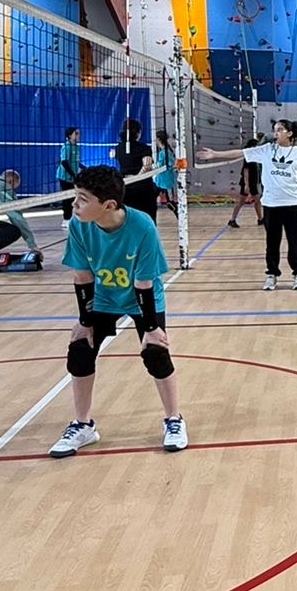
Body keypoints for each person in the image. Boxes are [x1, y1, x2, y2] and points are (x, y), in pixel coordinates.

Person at [50, 164, 186, 456]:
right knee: (80, 349)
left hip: (141, 297)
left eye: (83, 199)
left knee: (156, 352)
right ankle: (83, 425)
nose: (74, 204)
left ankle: (173, 419)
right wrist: (85, 321)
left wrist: (151, 328)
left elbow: (144, 282)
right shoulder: (78, 225)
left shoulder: (142, 226)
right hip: (102, 297)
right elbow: (82, 276)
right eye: (75, 196)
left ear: (109, 205)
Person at [201, 118, 297, 290]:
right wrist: (216, 154)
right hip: (271, 205)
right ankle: (272, 275)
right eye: (274, 129)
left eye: (280, 130)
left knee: (295, 243)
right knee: (272, 243)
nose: (275, 133)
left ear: (289, 134)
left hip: (293, 205)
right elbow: (240, 153)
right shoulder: (266, 150)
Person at [113, 118, 156, 217]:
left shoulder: (118, 148)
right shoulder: (144, 148)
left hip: (125, 187)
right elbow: (147, 166)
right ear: (138, 132)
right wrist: (137, 177)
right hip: (143, 189)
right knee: (147, 218)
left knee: (128, 218)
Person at [228, 138, 264, 230]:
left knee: (256, 200)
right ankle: (232, 220)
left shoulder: (255, 157)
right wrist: (246, 185)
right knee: (243, 201)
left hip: (254, 182)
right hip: (248, 183)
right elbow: (246, 171)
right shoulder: (248, 158)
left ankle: (260, 219)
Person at [56, 125, 82, 220]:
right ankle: (66, 219)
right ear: (70, 135)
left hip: (72, 177)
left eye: (79, 133)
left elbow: (76, 162)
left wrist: (84, 168)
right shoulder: (66, 146)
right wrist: (72, 174)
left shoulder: (76, 147)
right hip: (65, 177)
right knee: (67, 198)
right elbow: (64, 162)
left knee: (73, 197)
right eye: (76, 133)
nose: (78, 135)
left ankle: (72, 218)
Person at [153, 131, 177, 216]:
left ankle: (180, 216)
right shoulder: (164, 151)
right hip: (160, 180)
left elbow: (169, 164)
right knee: (151, 198)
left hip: (166, 181)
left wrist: (152, 166)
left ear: (158, 139)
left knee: (170, 203)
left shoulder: (165, 152)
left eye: (155, 139)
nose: (154, 141)